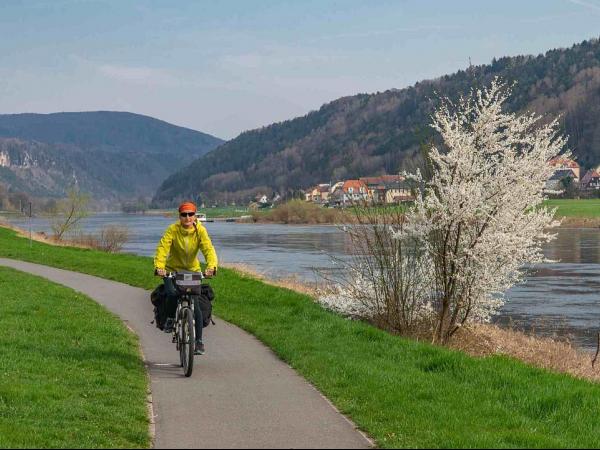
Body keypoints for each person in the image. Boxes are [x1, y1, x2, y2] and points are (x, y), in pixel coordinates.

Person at [154, 201, 218, 355]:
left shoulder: (200, 231)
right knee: (171, 292)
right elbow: (163, 248)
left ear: (195, 216)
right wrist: (159, 266)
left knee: (194, 301)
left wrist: (211, 267)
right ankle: (170, 318)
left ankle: (198, 342)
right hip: (172, 270)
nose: (187, 217)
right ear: (180, 216)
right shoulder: (173, 230)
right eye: (184, 215)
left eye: (191, 214)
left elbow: (208, 249)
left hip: (192, 270)